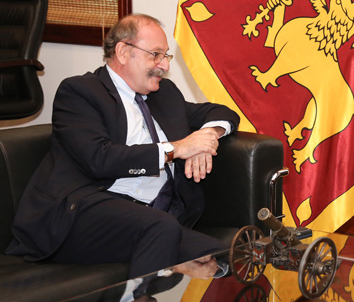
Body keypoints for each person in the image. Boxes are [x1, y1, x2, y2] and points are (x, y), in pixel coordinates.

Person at [6, 14, 240, 280]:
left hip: (147, 215)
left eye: (166, 57)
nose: (163, 65)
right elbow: (99, 159)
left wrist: (206, 136)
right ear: (123, 52)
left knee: (219, 256)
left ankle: (167, 278)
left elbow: (223, 112)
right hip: (84, 211)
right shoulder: (81, 92)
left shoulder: (164, 94)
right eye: (156, 55)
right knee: (160, 228)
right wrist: (176, 149)